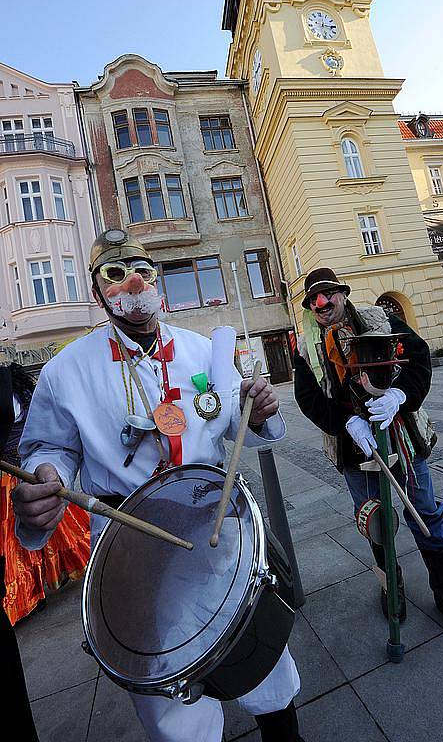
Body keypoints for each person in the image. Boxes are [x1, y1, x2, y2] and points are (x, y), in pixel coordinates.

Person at [13, 229, 304, 742]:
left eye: (144, 270)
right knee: (169, 696)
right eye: (116, 273)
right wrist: (49, 478)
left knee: (259, 649)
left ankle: (284, 733)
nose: (134, 282)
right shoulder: (65, 371)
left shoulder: (199, 351)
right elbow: (49, 448)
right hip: (131, 543)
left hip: (212, 523)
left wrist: (255, 413)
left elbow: (231, 428)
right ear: (98, 288)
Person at [293, 266, 443, 647]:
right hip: (357, 450)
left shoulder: (381, 317)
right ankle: (392, 588)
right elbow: (308, 399)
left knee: (426, 513)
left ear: (342, 295)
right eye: (315, 299)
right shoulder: (305, 348)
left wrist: (400, 395)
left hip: (402, 437)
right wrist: (347, 422)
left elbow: (417, 358)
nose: (323, 303)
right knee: (376, 522)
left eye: (329, 294)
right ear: (310, 307)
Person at [1, 362, 90, 625]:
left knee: (28, 537)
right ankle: (40, 587)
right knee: (42, 531)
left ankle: (34, 592)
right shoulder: (22, 396)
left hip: (19, 472)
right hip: (22, 470)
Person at [0, 363, 39, 741]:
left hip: (18, 475)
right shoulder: (14, 397)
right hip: (12, 474)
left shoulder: (10, 398)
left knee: (25, 546)